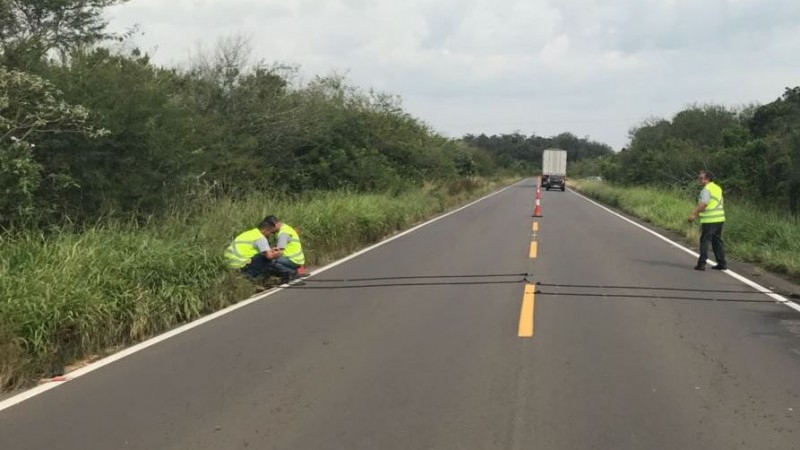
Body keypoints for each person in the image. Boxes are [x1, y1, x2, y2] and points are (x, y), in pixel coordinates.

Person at [688, 170, 727, 271]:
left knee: (705, 240)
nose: (699, 180)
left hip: (710, 219)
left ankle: (701, 264)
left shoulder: (707, 189)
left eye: (701, 178)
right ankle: (722, 263)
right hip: (719, 218)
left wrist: (693, 215)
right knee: (716, 241)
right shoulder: (717, 188)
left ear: (707, 179)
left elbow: (703, 204)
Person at [262, 215, 305, 282]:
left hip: (293, 260)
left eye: (270, 228)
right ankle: (295, 271)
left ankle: (291, 273)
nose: (271, 231)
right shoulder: (286, 228)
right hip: (298, 259)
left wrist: (266, 253)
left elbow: (278, 252)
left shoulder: (283, 233)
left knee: (269, 261)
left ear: (274, 224)